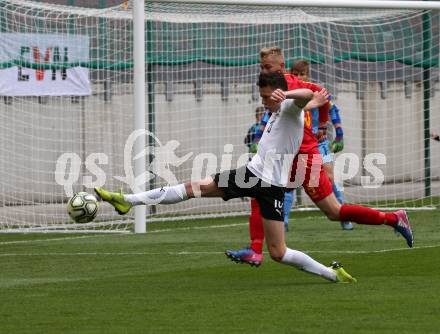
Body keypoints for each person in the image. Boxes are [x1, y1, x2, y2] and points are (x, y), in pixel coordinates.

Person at [96, 72, 358, 283]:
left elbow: (307, 95)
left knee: (278, 252)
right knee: (193, 188)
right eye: (262, 96)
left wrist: (288, 94)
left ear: (279, 94)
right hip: (254, 175)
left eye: (267, 97)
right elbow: (312, 100)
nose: (264, 101)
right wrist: (307, 100)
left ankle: (331, 273)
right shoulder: (282, 108)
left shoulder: (289, 106)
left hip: (269, 184)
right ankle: (127, 200)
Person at [225, 46, 413, 267]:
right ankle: (255, 249)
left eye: (268, 67)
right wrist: (322, 123)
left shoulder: (289, 85)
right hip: (295, 157)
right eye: (262, 67)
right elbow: (322, 95)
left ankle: (393, 218)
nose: (264, 71)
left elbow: (322, 96)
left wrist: (323, 123)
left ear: (281, 67)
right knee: (272, 195)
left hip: (303, 158)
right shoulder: (277, 88)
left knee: (331, 210)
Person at [290, 59, 353, 231]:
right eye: (295, 74)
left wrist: (339, 133)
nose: (299, 77)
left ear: (307, 75)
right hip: (297, 142)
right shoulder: (289, 92)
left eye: (302, 74)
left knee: (329, 178)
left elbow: (332, 108)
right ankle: (283, 220)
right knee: (288, 181)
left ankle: (343, 214)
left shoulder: (314, 91)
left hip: (319, 141)